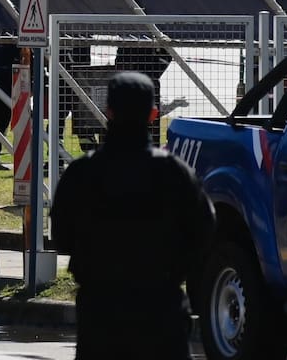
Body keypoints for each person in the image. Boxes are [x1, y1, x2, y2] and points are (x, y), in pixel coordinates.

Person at [50, 71, 216, 360]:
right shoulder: (175, 174)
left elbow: (62, 238)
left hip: (101, 315)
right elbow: (204, 232)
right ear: (153, 114)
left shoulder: (81, 175)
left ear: (108, 112)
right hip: (161, 311)